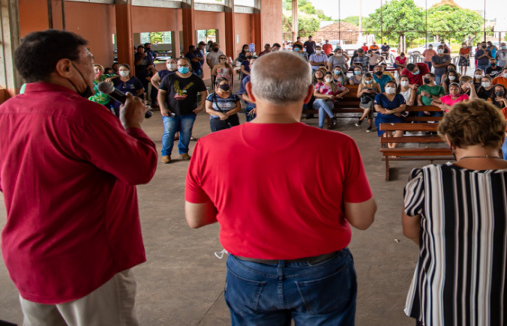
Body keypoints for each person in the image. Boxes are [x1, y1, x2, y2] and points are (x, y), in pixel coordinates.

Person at [184, 51, 375, 325]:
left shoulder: (209, 147)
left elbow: (196, 218)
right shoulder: (339, 146)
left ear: (249, 91)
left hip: (249, 269)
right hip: (321, 269)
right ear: (309, 94)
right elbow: (363, 219)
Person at [0, 29, 157, 325]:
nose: (95, 71)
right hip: (84, 261)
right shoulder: (80, 114)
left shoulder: (5, 112)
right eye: (89, 60)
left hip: (27, 258)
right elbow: (139, 169)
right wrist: (132, 126)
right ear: (65, 67)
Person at [402, 99, 507, 325]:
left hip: (441, 304)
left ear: (450, 140)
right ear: (502, 138)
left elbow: (412, 232)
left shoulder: (427, 179)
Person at [158, 57, 208, 164]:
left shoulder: (196, 79)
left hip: (189, 111)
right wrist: (162, 107)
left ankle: (183, 151)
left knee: (186, 133)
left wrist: (201, 106)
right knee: (169, 132)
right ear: (177, 66)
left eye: (185, 65)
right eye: (180, 65)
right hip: (170, 111)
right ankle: (166, 154)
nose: (182, 67)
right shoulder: (168, 78)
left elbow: (204, 92)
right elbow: (161, 93)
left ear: (189, 66)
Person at [375, 80, 406, 146]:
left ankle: (392, 150)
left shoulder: (399, 96)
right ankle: (392, 151)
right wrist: (394, 112)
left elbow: (402, 107)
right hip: (383, 117)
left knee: (400, 130)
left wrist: (391, 112)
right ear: (385, 87)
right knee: (387, 132)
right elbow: (378, 108)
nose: (390, 88)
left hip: (396, 117)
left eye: (392, 86)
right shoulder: (379, 96)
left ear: (395, 88)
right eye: (388, 86)